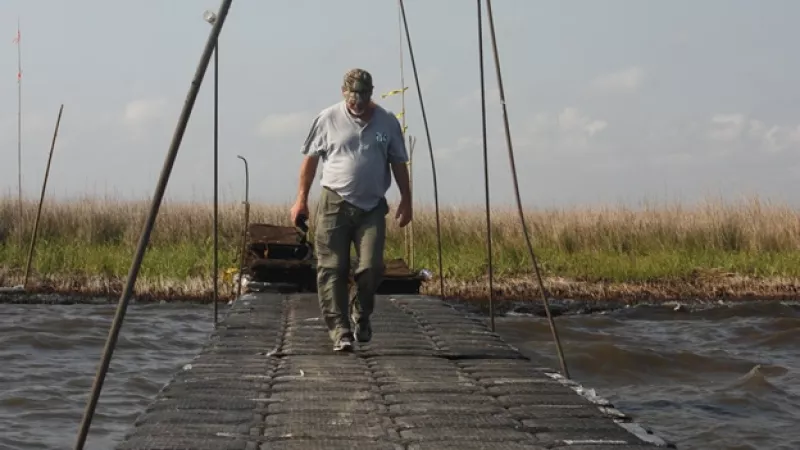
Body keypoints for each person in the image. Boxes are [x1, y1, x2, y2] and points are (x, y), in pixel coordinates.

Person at [290, 68, 412, 352]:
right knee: (332, 267)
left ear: (371, 94)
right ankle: (340, 331)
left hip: (372, 207)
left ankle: (361, 313)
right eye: (353, 95)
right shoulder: (327, 118)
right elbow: (310, 162)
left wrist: (406, 199)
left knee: (371, 267)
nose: (358, 101)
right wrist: (301, 200)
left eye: (364, 95)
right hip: (335, 203)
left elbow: (398, 162)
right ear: (343, 92)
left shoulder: (387, 121)